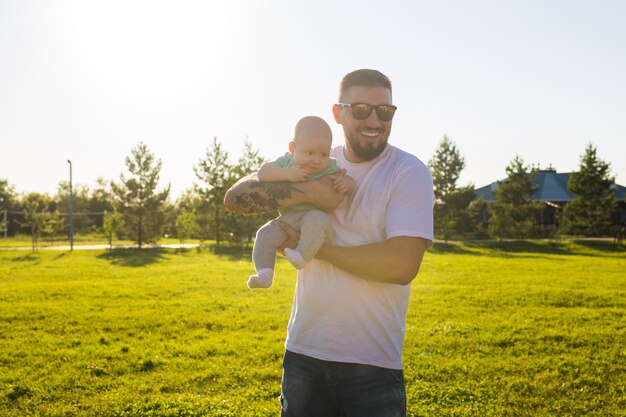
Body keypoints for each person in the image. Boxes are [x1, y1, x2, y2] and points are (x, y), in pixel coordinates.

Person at [224, 69, 434, 417]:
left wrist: (316, 248)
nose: (374, 120)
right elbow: (236, 197)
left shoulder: (407, 172)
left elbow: (402, 266)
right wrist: (308, 191)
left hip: (372, 363)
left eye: (385, 111)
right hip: (304, 353)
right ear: (338, 113)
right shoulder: (318, 157)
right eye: (361, 109)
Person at [248, 115, 355, 289]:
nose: (317, 159)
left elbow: (349, 180)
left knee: (316, 219)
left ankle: (301, 256)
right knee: (264, 234)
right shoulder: (286, 163)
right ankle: (265, 273)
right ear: (292, 148)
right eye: (309, 153)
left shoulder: (329, 167)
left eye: (323, 154)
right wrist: (286, 174)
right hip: (288, 218)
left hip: (317, 220)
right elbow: (263, 172)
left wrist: (347, 184)